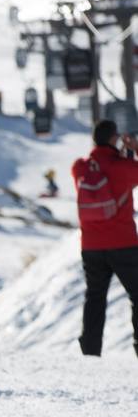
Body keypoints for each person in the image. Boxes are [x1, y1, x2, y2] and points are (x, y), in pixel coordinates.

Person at [73, 119, 138, 358]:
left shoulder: (80, 168)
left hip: (90, 245)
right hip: (123, 243)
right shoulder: (123, 167)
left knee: (95, 296)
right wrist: (134, 148)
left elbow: (93, 169)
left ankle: (90, 350)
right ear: (114, 139)